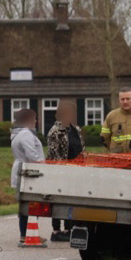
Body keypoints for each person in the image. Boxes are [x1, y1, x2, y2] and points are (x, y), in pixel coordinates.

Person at [43, 102, 84, 241]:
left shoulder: (76, 129)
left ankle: (68, 228)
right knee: (59, 200)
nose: (70, 116)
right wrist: (63, 170)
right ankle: (56, 231)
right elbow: (54, 154)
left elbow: (81, 149)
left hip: (76, 172)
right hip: (61, 172)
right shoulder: (55, 131)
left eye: (72, 113)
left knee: (71, 201)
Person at [10, 107, 45, 247]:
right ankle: (27, 234)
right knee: (31, 204)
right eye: (34, 118)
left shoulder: (19, 134)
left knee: (26, 204)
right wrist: (43, 164)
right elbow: (32, 155)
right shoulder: (26, 135)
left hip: (24, 170)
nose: (36, 121)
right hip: (30, 172)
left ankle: (27, 233)